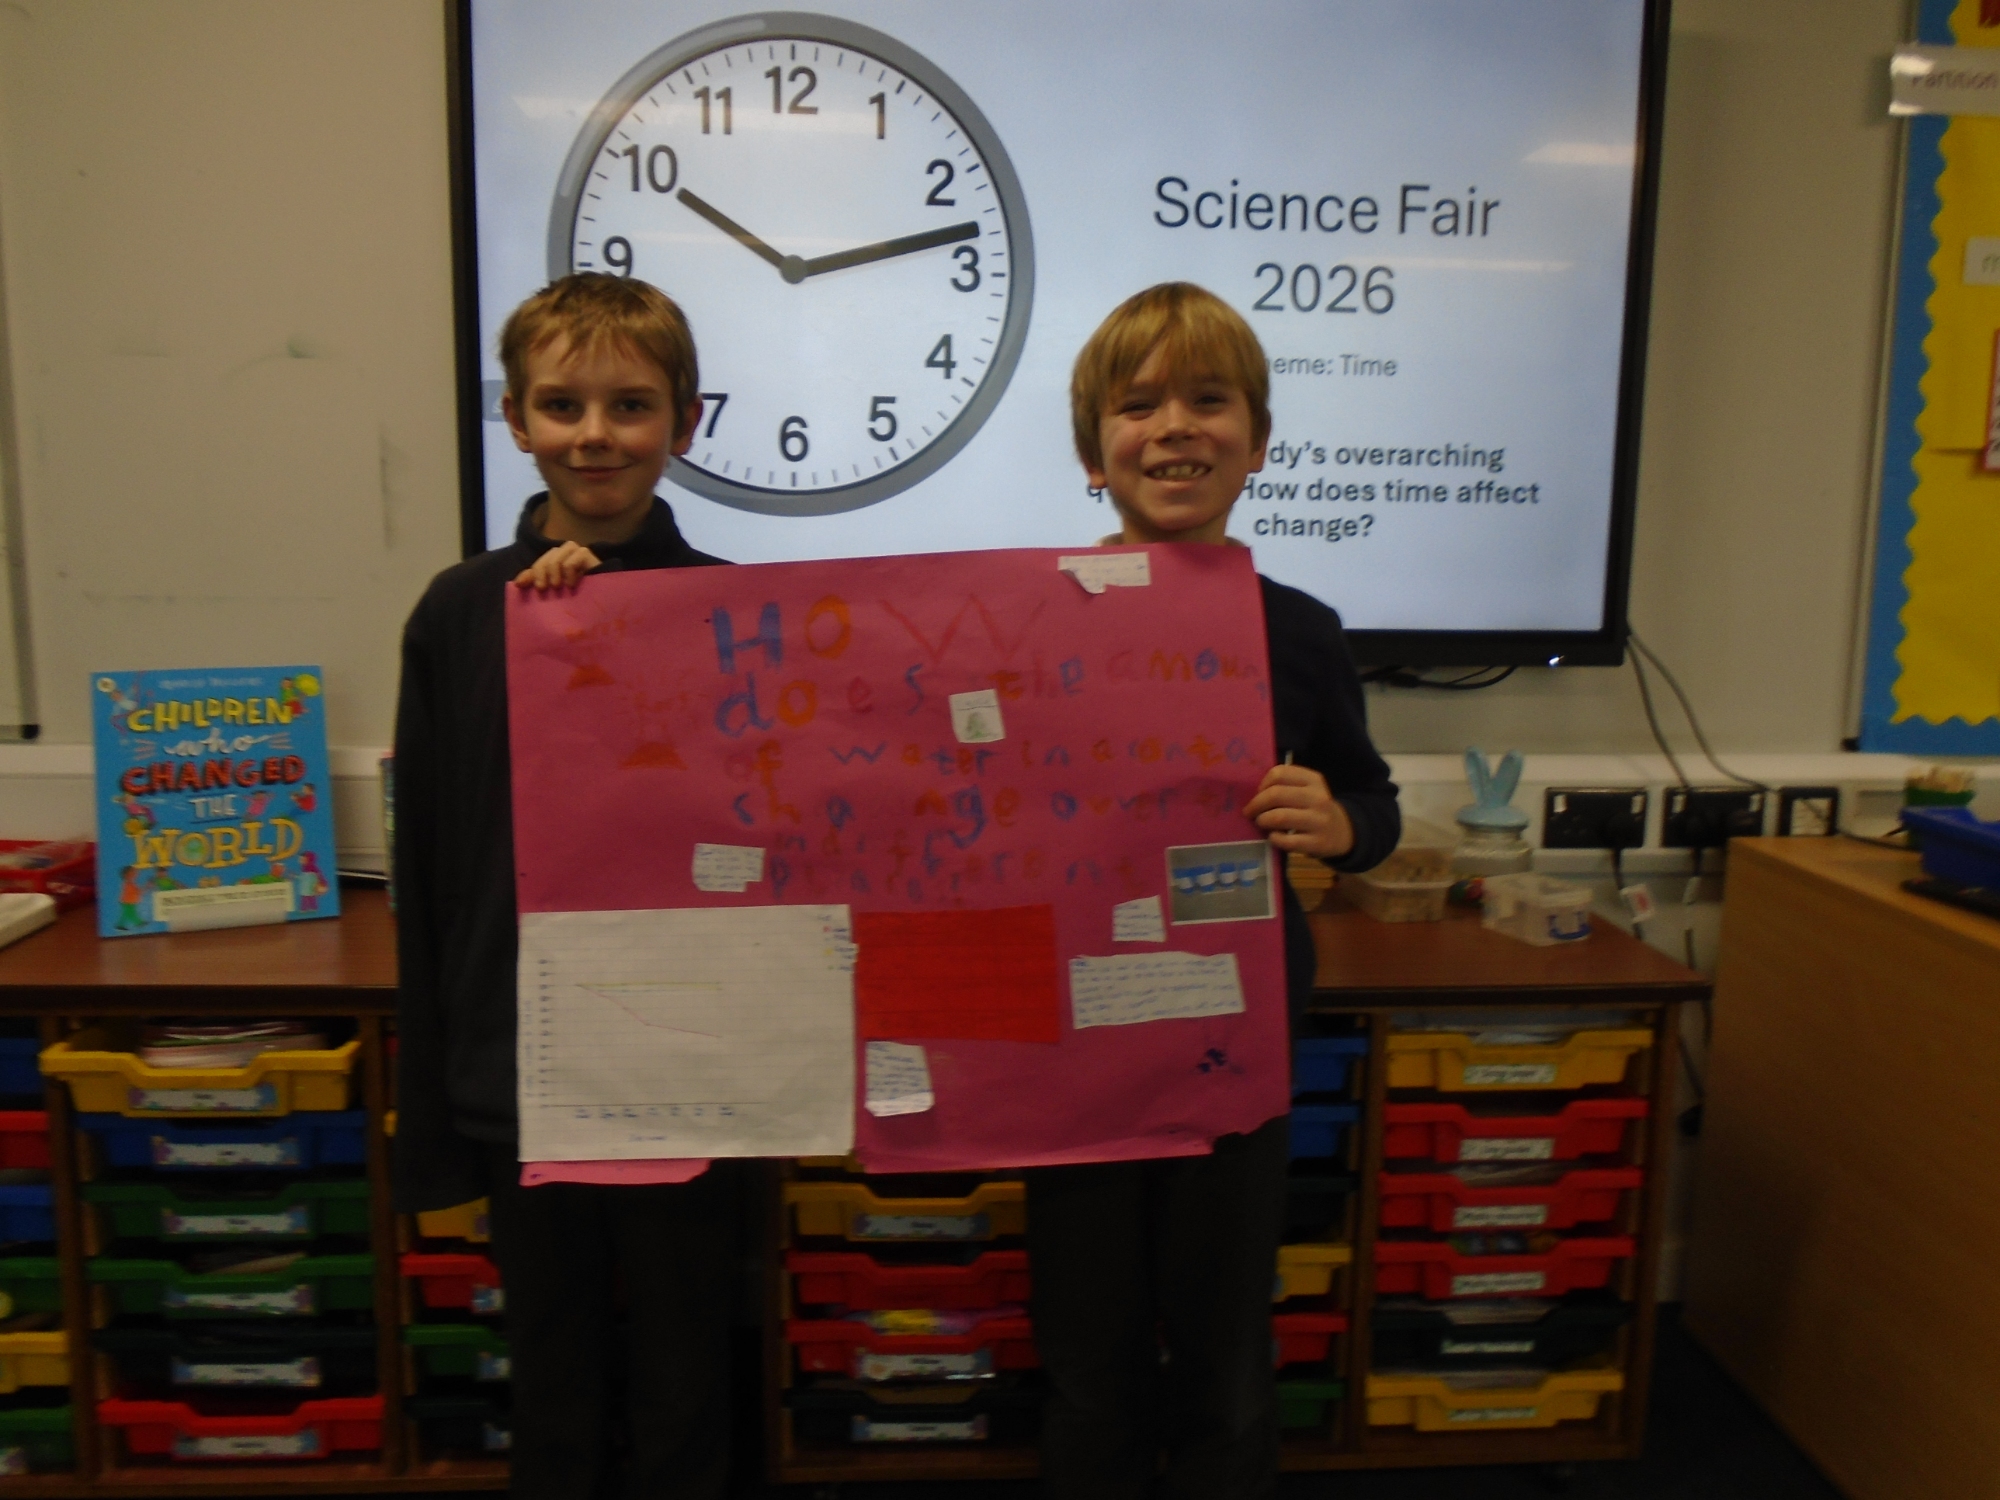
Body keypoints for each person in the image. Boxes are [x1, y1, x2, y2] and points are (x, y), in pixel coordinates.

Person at [1026, 282, 1400, 1499]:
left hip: (1230, 1036)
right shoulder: (1024, 622)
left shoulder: (1296, 631)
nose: (1174, 427)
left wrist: (1339, 825)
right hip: (1072, 1036)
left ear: (1257, 442)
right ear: (1093, 454)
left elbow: (1373, 801)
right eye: (1136, 406)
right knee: (1086, 1346)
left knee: (1223, 1346)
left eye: (1207, 399)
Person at [392, 272, 736, 1499]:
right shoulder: (458, 614)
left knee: (695, 1383)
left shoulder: (734, 614)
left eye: (631, 406)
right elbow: (432, 872)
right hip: (528, 1069)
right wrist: (441, 1110)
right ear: (515, 419)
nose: (595, 434)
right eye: (562, 404)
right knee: (554, 1382)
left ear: (683, 423)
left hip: (699, 1068)